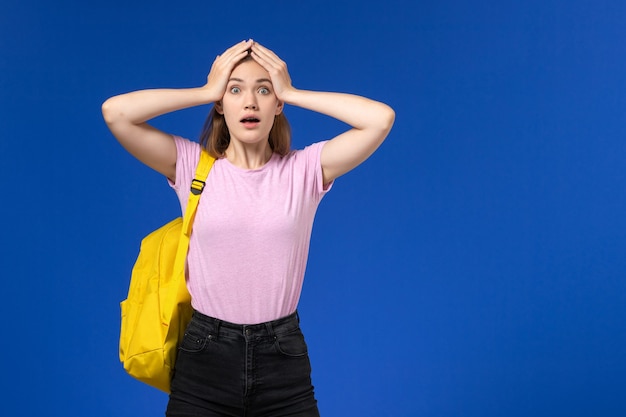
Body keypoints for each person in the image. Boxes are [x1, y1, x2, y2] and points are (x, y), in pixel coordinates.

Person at [102, 39, 394, 417]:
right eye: (235, 89)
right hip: (204, 357)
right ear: (221, 106)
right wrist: (206, 89)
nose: (250, 102)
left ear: (278, 105)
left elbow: (380, 118)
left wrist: (293, 90)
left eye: (263, 90)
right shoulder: (193, 165)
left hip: (282, 357)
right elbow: (116, 113)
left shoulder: (304, 170)